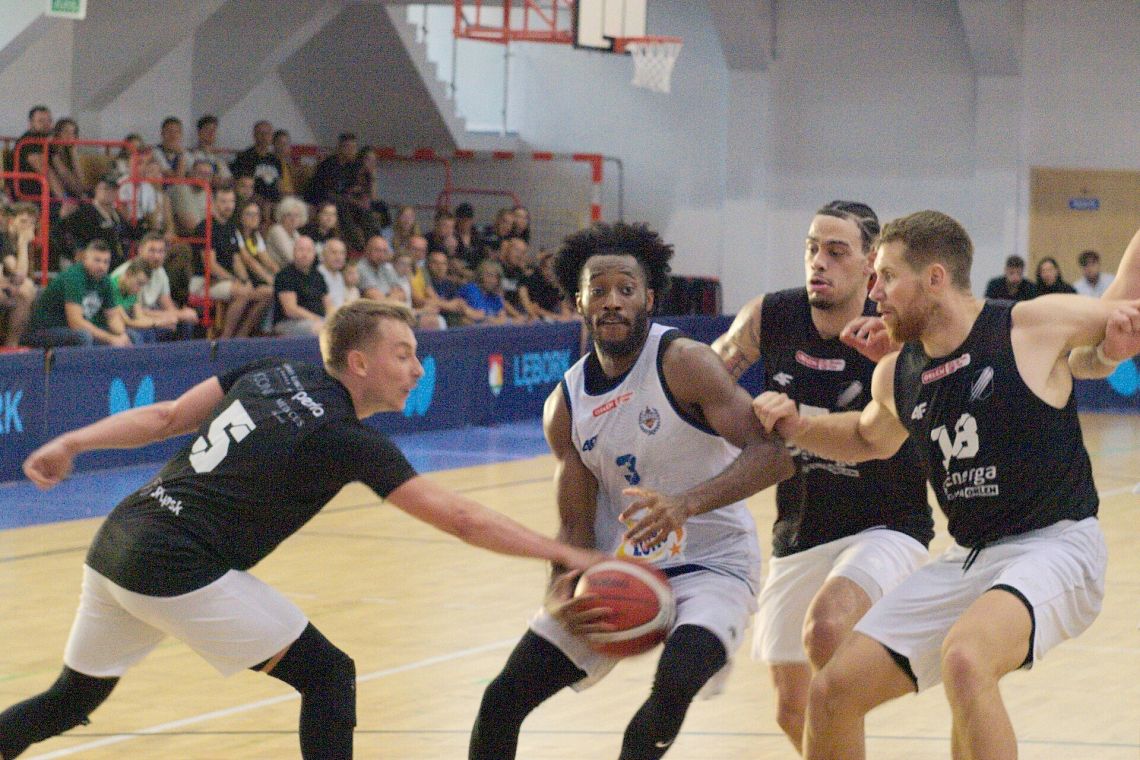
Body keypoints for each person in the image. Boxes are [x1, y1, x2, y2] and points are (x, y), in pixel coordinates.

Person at [1, 299, 602, 760]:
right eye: (403, 355)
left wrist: (73, 441)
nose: (418, 369)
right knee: (329, 675)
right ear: (358, 362)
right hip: (175, 564)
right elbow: (464, 520)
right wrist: (572, 554)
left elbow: (165, 418)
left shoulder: (270, 370)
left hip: (120, 540)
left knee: (69, 700)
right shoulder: (345, 437)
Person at [752, 211, 1140, 760]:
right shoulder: (896, 373)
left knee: (965, 658)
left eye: (887, 277)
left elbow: (1121, 309)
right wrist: (798, 425)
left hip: (1057, 544)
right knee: (833, 691)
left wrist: (1105, 352)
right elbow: (865, 438)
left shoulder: (1028, 325)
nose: (874, 293)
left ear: (934, 278)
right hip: (969, 557)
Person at [469, 222, 794, 759]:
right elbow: (574, 526)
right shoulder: (566, 406)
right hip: (623, 570)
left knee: (668, 693)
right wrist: (559, 593)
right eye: (598, 290)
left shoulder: (686, 363)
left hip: (713, 567)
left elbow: (776, 456)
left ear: (649, 298)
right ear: (579, 302)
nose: (612, 301)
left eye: (626, 289)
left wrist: (685, 504)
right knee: (501, 700)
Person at [710, 200, 933, 753]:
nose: (819, 262)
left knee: (827, 628)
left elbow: (874, 437)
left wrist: (796, 421)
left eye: (836, 252)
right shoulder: (769, 316)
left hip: (888, 526)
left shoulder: (898, 331)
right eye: (812, 249)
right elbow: (704, 382)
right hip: (802, 528)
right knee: (792, 709)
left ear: (870, 264)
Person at [22, 239, 131, 348]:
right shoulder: (74, 276)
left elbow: (112, 317)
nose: (102, 266)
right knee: (83, 336)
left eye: (106, 262)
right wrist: (111, 338)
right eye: (97, 260)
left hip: (73, 330)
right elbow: (76, 322)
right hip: (46, 330)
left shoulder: (105, 281)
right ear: (85, 259)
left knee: (131, 336)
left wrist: (122, 335)